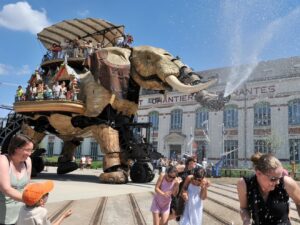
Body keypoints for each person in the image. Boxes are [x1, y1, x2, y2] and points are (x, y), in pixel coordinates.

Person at [237, 152, 300, 225]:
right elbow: (244, 208)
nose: (278, 182)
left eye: (279, 178)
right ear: (258, 173)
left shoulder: (286, 183)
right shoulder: (244, 184)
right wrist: (246, 221)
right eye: (273, 179)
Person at [0, 134, 33, 225]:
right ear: (16, 148)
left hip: (21, 215)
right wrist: (30, 200)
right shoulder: (3, 160)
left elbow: (27, 185)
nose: (29, 153)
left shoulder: (28, 161)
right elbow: (6, 189)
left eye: (31, 150)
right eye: (27, 150)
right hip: (3, 217)